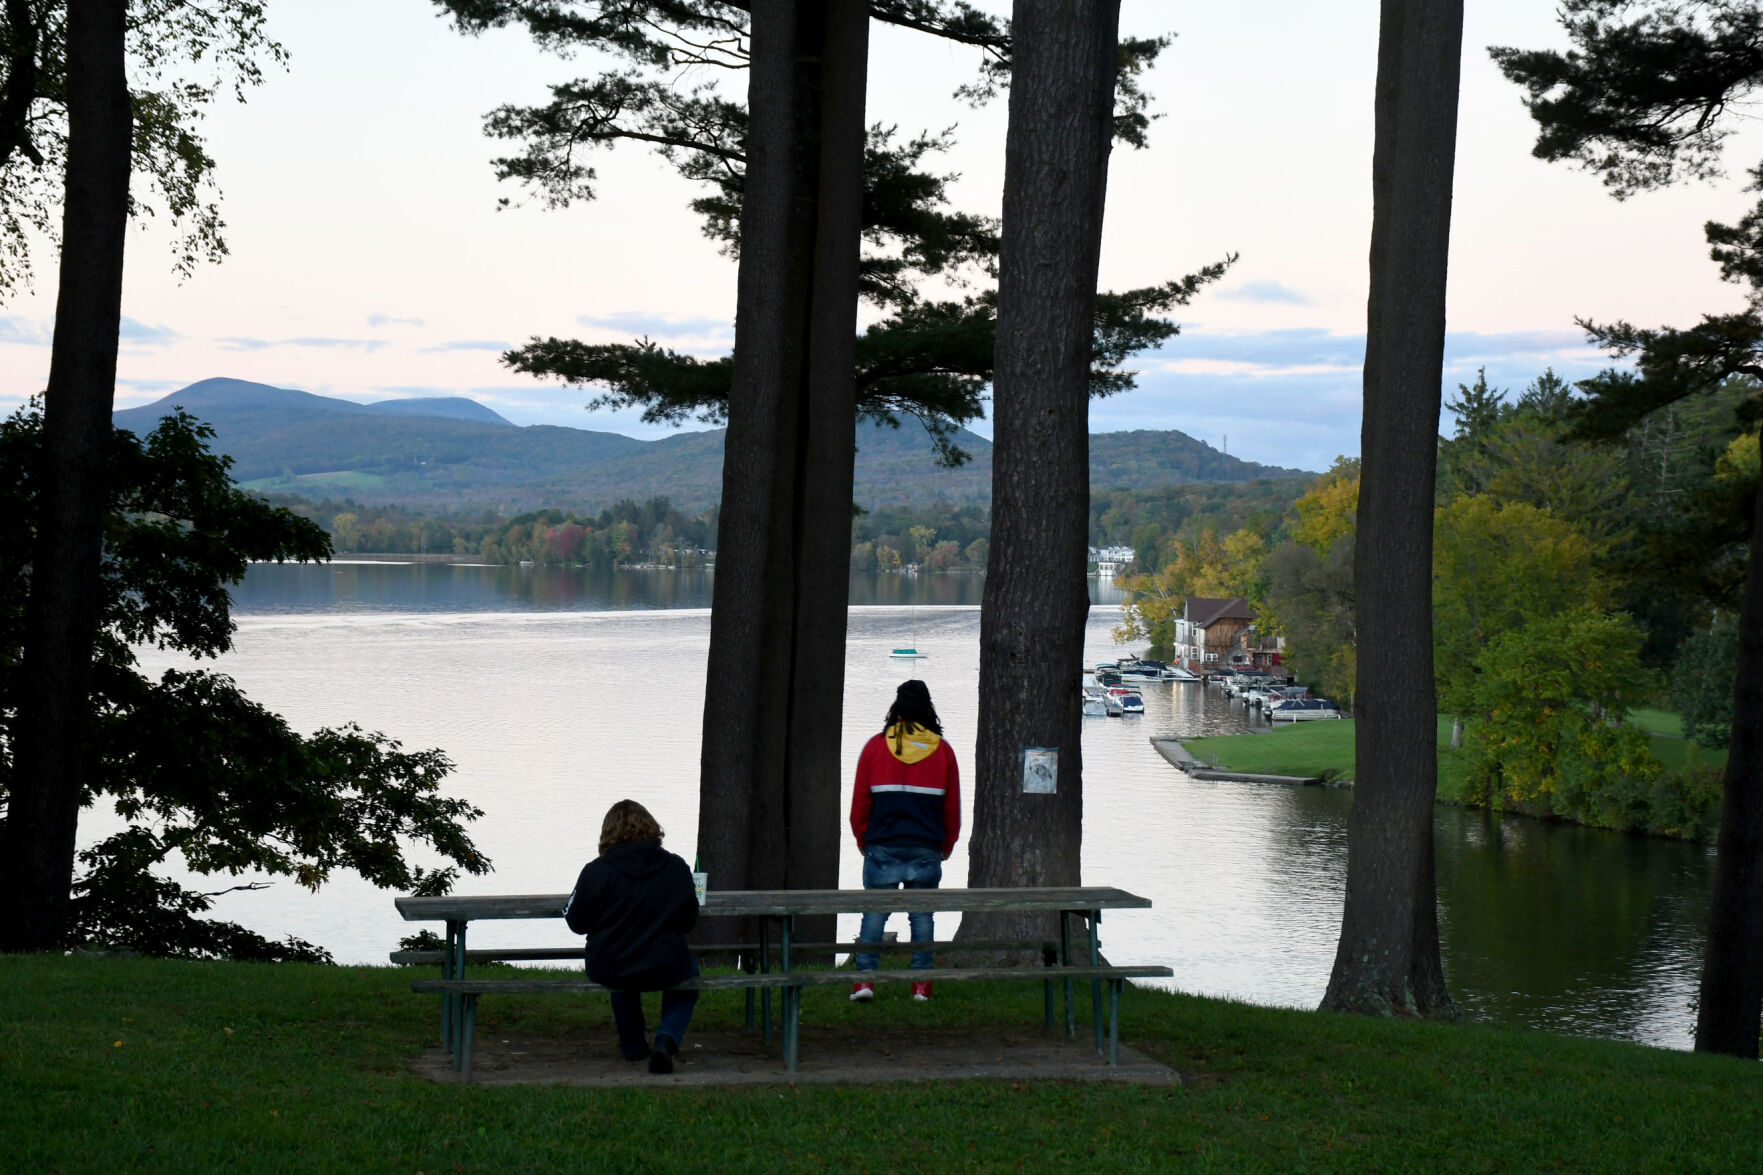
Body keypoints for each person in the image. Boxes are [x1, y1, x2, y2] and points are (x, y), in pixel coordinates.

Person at [564, 799, 700, 1074]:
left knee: (621, 977)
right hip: (666, 962)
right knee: (689, 979)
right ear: (652, 828)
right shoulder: (676, 867)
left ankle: (633, 1046)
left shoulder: (597, 871)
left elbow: (575, 921)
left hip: (612, 962)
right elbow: (689, 921)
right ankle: (666, 1038)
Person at [847, 679, 960, 1002]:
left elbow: (860, 803)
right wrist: (947, 844)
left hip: (882, 844)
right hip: (926, 846)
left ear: (895, 707)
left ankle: (864, 982)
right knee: (922, 917)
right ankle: (921, 985)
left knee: (874, 914)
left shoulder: (875, 747)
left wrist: (862, 838)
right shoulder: (943, 750)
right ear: (929, 709)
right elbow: (951, 805)